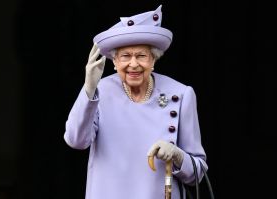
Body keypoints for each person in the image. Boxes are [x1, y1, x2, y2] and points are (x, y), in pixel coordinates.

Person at [64, 5, 208, 199]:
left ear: (154, 59)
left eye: (141, 55)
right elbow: (76, 140)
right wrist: (89, 88)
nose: (133, 64)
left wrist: (177, 155)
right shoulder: (100, 91)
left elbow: (198, 173)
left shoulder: (181, 94)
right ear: (114, 62)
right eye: (125, 56)